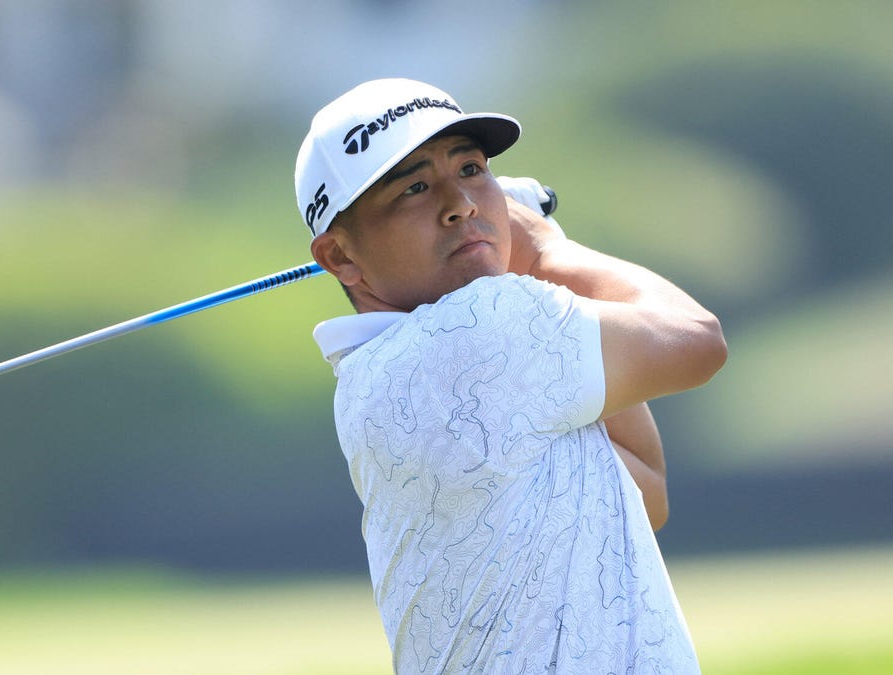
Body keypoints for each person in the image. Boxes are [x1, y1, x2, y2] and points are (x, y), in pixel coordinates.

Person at [294, 78, 726, 673]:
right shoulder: (483, 329)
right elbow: (697, 340)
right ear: (341, 257)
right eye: (415, 187)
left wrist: (510, 265)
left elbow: (643, 494)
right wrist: (545, 251)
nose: (461, 204)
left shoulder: (371, 380)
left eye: (471, 169)